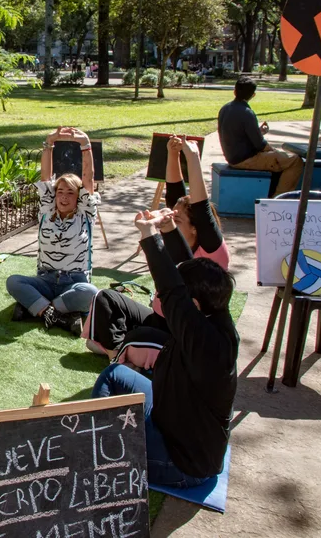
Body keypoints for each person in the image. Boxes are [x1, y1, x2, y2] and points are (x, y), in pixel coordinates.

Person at [92, 208, 238, 489]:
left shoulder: (206, 341)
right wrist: (169, 229)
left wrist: (148, 235)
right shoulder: (214, 310)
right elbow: (185, 269)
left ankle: (99, 455)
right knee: (114, 374)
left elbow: (172, 288)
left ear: (192, 306)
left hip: (183, 463)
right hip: (171, 416)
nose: (158, 296)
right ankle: (98, 437)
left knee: (106, 453)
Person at [83, 135, 229, 362]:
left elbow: (202, 210)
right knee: (105, 299)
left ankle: (127, 352)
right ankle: (120, 352)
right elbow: (174, 193)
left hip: (179, 333)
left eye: (178, 219)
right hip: (157, 318)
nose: (169, 218)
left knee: (136, 336)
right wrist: (172, 153)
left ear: (196, 229)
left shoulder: (212, 252)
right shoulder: (175, 242)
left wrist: (192, 158)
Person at [7, 126, 100, 333]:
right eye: (60, 192)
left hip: (74, 281)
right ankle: (61, 314)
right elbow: (45, 178)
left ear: (79, 198)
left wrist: (85, 144)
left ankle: (37, 307)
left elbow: (88, 179)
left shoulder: (85, 214)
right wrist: (49, 142)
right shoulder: (47, 210)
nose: (64, 197)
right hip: (46, 279)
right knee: (13, 282)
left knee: (91, 292)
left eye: (70, 192)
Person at [218, 76, 303, 194]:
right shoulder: (247, 113)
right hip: (245, 159)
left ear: (234, 91)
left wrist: (258, 132)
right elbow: (260, 145)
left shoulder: (225, 109)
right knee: (295, 161)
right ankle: (280, 198)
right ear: (253, 95)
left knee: (278, 158)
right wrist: (274, 151)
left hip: (232, 156)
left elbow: (236, 133)